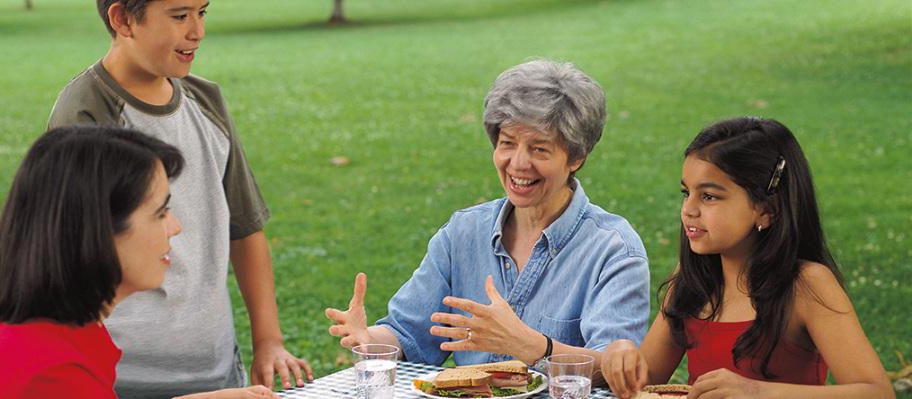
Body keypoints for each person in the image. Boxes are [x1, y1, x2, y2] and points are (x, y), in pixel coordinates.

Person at [46, 0, 311, 396]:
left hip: (218, 374)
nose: (197, 31)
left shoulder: (207, 102)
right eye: (179, 15)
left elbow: (245, 229)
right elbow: (71, 262)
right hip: (123, 381)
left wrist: (268, 341)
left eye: (202, 12)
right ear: (122, 19)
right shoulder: (86, 113)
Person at [326, 59, 651, 372]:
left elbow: (613, 367)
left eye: (539, 149)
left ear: (577, 156)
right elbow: (408, 334)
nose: (518, 164)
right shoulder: (463, 233)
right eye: (507, 143)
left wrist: (529, 344)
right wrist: (370, 340)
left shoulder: (614, 250)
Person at [0, 126, 280, 399]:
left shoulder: (42, 321)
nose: (176, 227)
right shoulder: (56, 376)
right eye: (160, 213)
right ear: (98, 234)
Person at [600, 117, 895, 399]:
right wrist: (620, 357)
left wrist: (756, 392)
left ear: (767, 209)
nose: (688, 209)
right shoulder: (691, 281)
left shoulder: (806, 286)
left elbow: (877, 393)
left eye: (709, 196)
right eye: (686, 192)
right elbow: (645, 383)